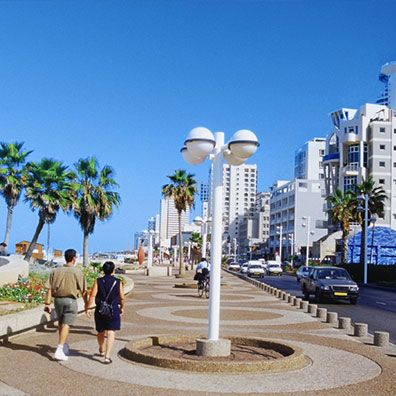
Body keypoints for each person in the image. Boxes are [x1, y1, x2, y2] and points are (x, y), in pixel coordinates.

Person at [44, 249, 87, 361]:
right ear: (74, 258)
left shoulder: (56, 271)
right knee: (66, 324)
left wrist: (47, 303)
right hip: (70, 301)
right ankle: (59, 348)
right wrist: (87, 304)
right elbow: (84, 291)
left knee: (61, 323)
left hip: (58, 300)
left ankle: (64, 345)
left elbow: (49, 288)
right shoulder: (77, 272)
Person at [86, 261, 124, 364]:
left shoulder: (98, 281)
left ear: (103, 270)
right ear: (113, 270)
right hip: (113, 309)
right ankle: (107, 356)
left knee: (100, 331)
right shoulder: (118, 282)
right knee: (111, 331)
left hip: (100, 309)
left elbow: (93, 295)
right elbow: (122, 297)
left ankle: (101, 348)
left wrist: (89, 308)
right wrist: (122, 307)